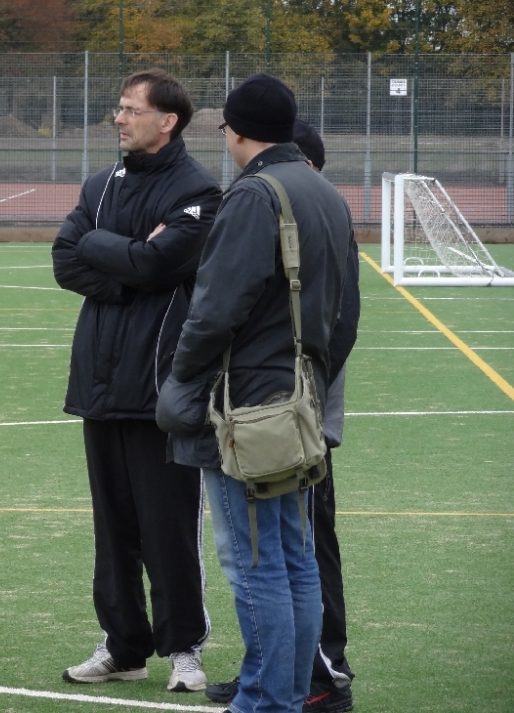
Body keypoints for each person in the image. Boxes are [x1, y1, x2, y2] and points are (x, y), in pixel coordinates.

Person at [171, 75, 357, 713]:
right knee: (294, 558)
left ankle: (266, 702)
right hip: (300, 402)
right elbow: (345, 315)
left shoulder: (255, 194)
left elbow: (215, 309)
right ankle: (283, 695)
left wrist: (182, 378)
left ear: (236, 131)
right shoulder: (323, 190)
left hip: (249, 410)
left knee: (255, 564)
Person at [51, 69, 223, 692]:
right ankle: (122, 647)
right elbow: (65, 260)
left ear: (166, 121)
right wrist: (127, 263)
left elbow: (160, 263)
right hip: (98, 384)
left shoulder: (199, 190)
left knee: (167, 528)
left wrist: (106, 250)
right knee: (114, 528)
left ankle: (185, 651)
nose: (119, 119)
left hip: (160, 387)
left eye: (131, 110)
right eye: (119, 108)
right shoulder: (99, 186)